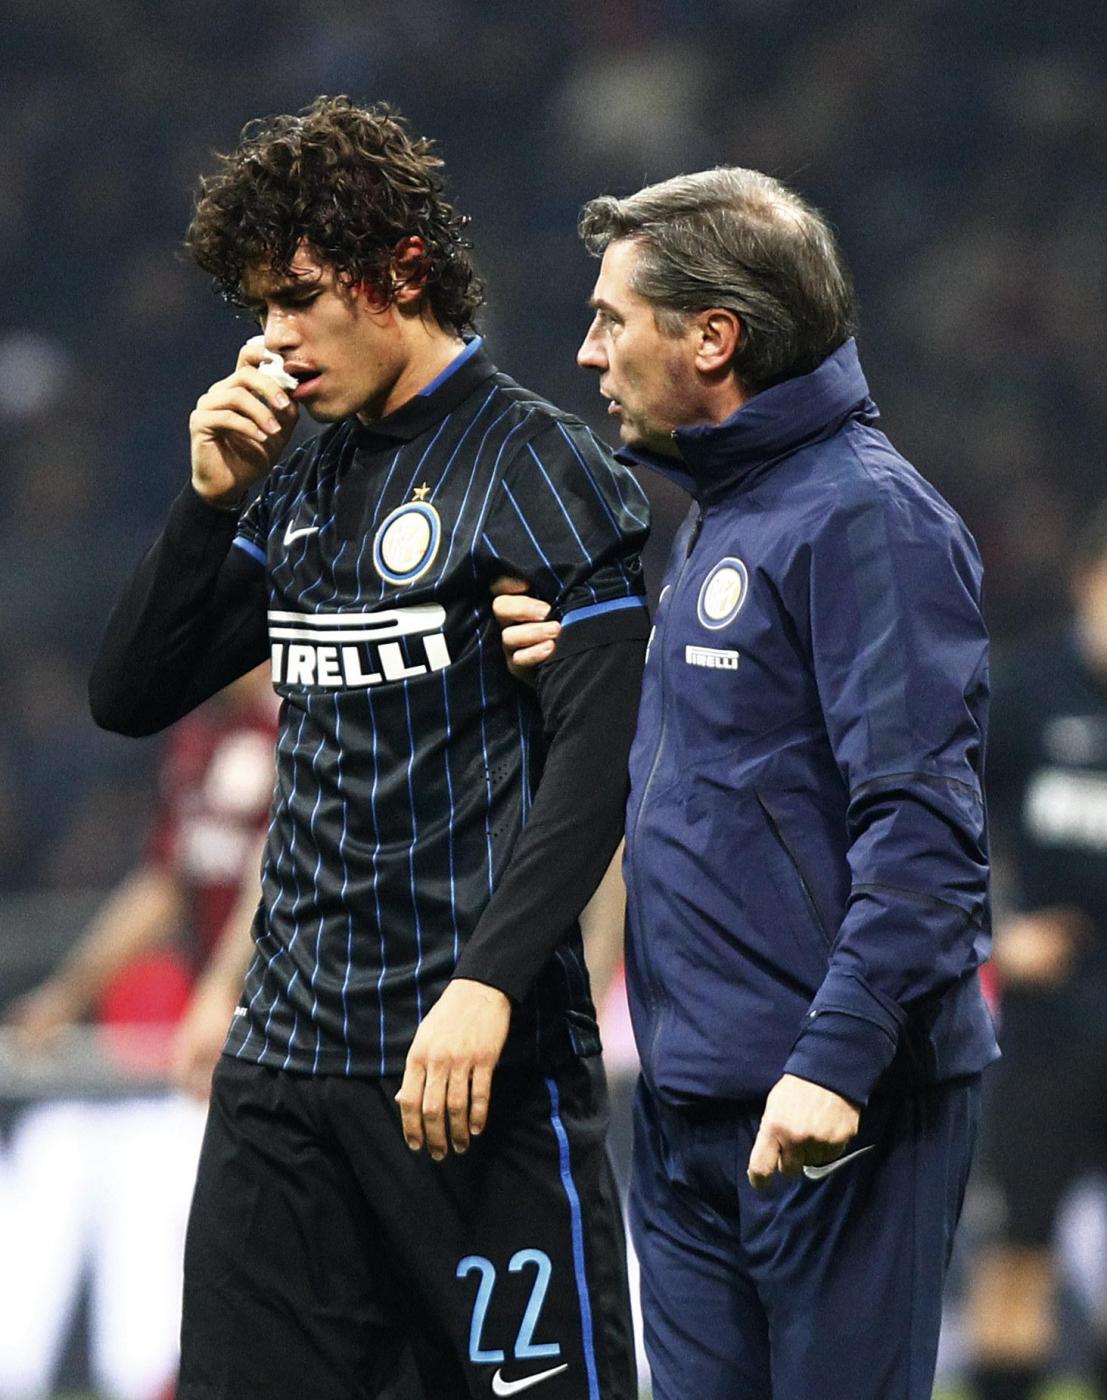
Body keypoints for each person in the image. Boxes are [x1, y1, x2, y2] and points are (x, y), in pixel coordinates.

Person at [88, 96, 647, 1400]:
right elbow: (131, 691)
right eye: (257, 310)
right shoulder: (298, 477)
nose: (272, 340)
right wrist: (206, 505)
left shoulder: (539, 464)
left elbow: (597, 758)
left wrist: (489, 985)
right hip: (283, 1072)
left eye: (296, 299)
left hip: (469, 1069)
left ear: (397, 270)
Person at [493, 166, 999, 1400]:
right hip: (689, 1104)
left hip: (834, 1101)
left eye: (613, 319)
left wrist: (834, 1061)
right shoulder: (723, 516)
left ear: (712, 338)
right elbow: (736, 772)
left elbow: (924, 833)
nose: (588, 351)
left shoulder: (868, 519)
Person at [967, 507, 1107, 1400]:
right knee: (1018, 1251)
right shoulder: (1025, 690)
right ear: (1088, 582)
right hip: (1047, 1026)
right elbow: (938, 823)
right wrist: (995, 934)